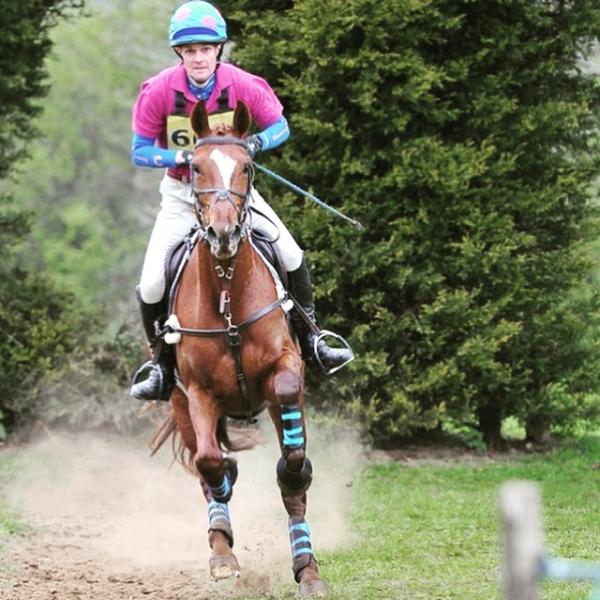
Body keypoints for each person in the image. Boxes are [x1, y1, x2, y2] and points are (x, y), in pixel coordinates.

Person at [129, 0, 353, 401]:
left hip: (235, 193)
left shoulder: (244, 85)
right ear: (179, 53)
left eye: (206, 48)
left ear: (219, 49)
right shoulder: (159, 90)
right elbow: (139, 150)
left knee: (291, 254)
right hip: (184, 196)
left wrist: (256, 142)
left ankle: (314, 340)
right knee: (151, 283)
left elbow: (280, 125)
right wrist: (179, 157)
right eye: (190, 50)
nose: (198, 57)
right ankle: (160, 366)